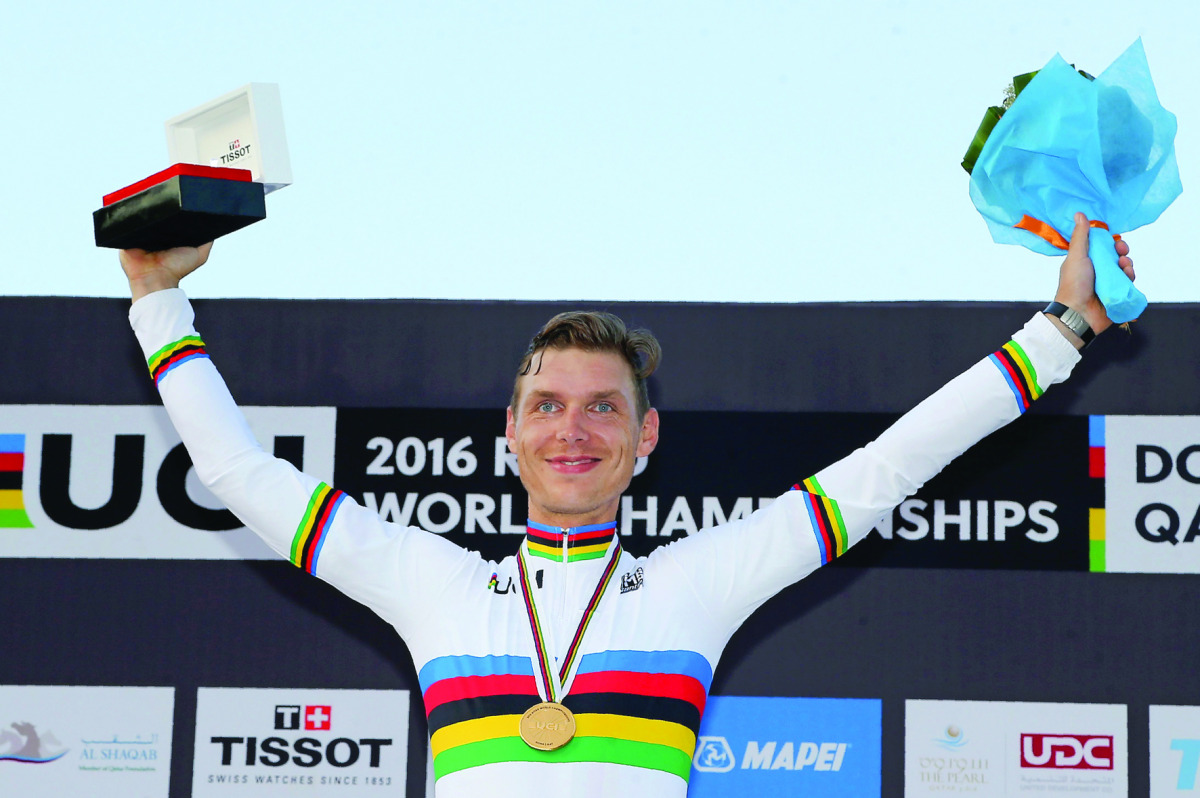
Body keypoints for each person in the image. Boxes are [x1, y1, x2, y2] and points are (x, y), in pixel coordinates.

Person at [119, 213, 1134, 798]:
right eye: (548, 407)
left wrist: (1061, 332)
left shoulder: (700, 580)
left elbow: (885, 470)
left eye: (605, 409)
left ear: (645, 441)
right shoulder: (436, 585)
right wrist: (159, 298)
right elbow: (240, 474)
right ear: (506, 434)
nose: (575, 430)